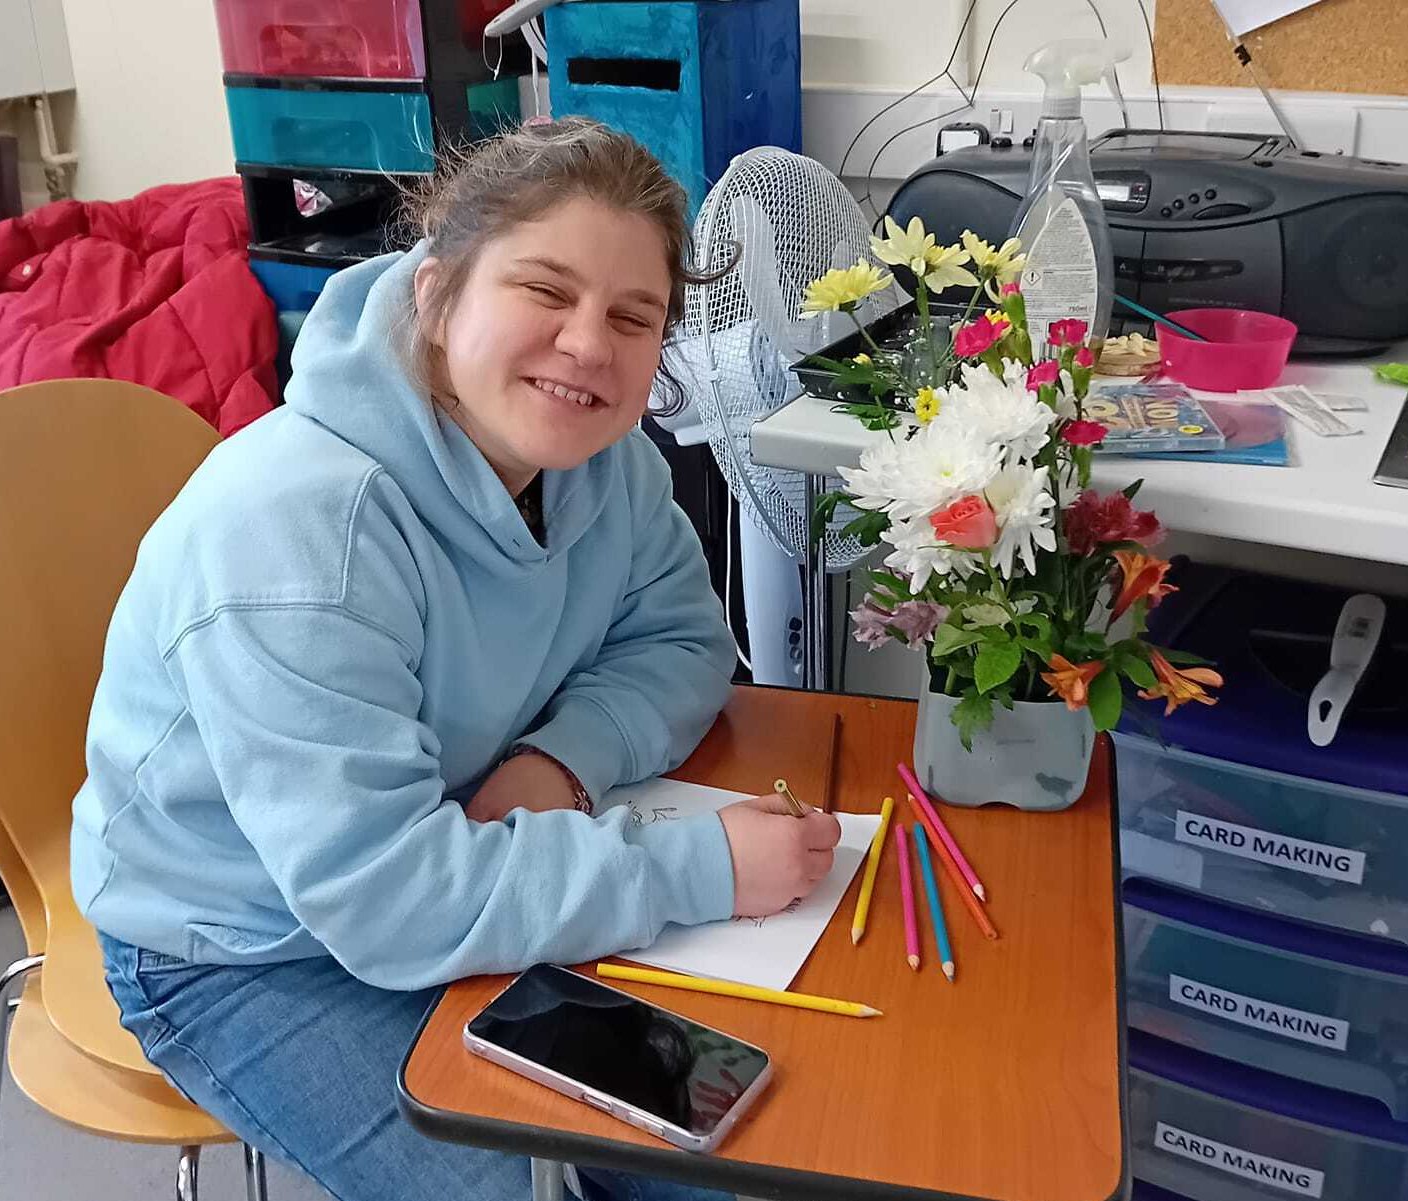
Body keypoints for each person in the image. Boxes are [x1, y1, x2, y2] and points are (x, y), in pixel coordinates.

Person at [70, 117, 842, 1201]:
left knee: (724, 1144)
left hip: (468, 849)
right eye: (545, 291)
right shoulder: (297, 534)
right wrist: (699, 868)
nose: (589, 345)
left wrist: (558, 765)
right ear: (436, 295)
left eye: (635, 316)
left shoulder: (602, 461)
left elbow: (681, 640)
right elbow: (387, 900)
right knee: (518, 1189)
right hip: (244, 948)